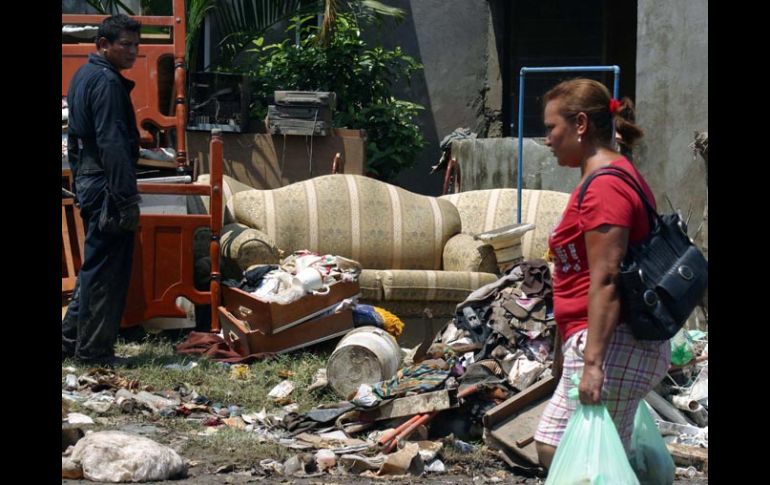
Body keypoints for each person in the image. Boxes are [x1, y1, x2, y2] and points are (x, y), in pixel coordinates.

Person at [533, 78, 670, 468]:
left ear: (580, 124)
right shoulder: (605, 176)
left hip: (615, 345)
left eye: (550, 127)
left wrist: (593, 364)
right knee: (605, 462)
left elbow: (607, 278)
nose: (547, 139)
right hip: (613, 343)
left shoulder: (605, 186)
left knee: (556, 448)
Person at [62, 14, 142, 366]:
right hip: (108, 185)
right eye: (125, 44)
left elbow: (74, 144)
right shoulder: (107, 83)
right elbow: (112, 143)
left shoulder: (83, 76)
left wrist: (81, 184)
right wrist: (125, 198)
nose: (133, 52)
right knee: (106, 271)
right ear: (102, 45)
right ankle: (93, 353)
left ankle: (68, 342)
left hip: (91, 181)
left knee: (93, 267)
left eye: (137, 45)